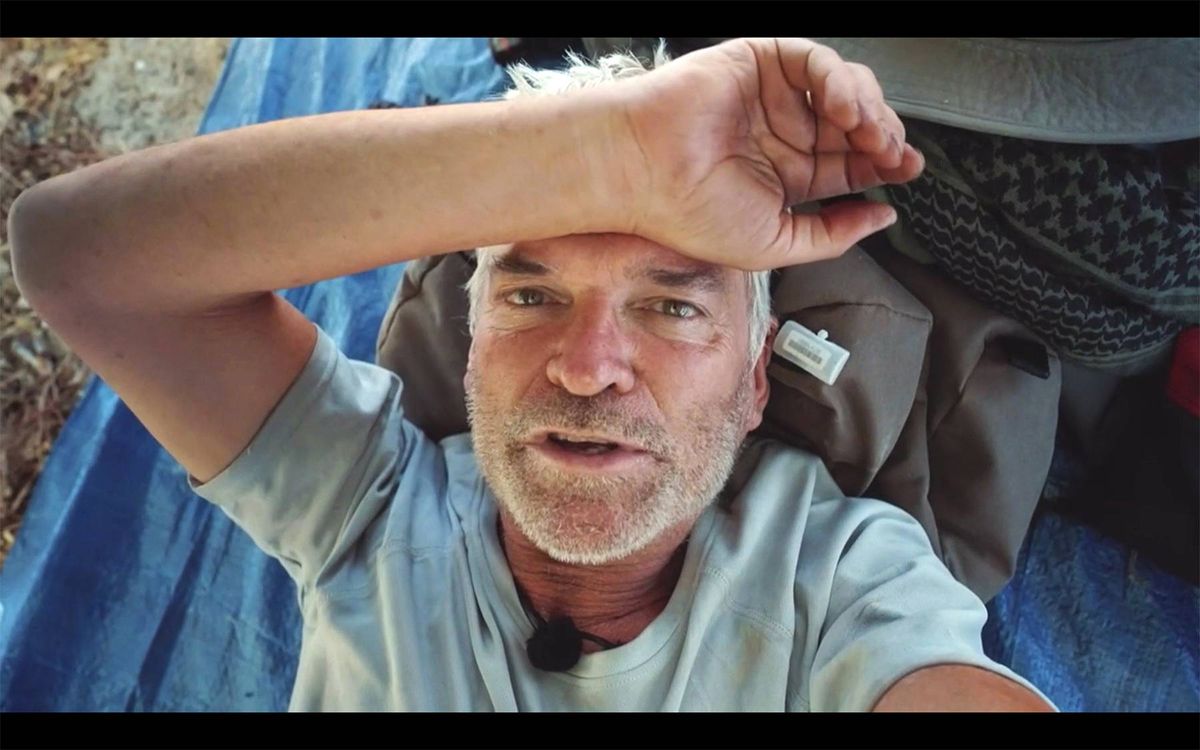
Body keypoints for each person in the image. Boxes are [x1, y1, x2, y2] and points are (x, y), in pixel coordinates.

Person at [8, 37, 1054, 711]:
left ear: (752, 390)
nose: (590, 368)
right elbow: (77, 254)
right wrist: (608, 155)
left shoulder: (843, 575)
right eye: (529, 293)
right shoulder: (370, 508)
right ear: (470, 353)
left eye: (673, 306)